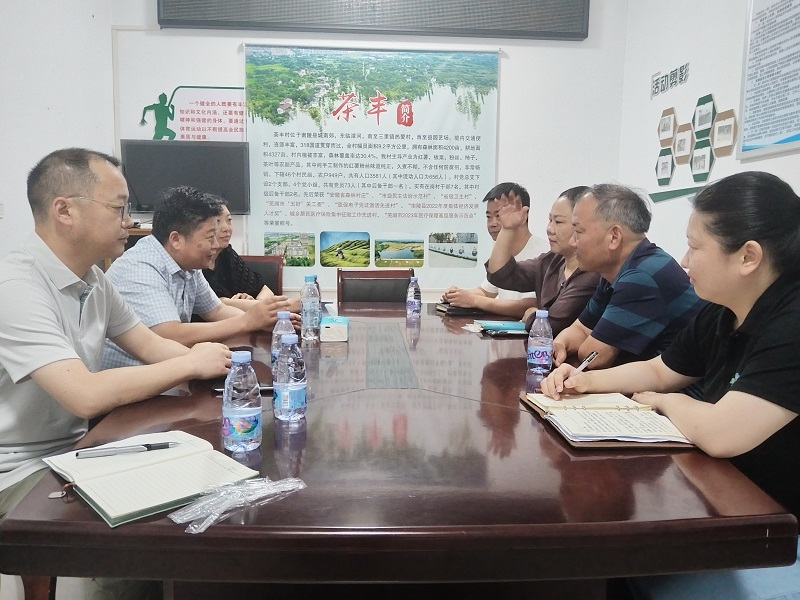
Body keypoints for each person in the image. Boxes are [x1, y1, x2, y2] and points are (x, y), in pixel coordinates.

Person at [540, 171, 800, 600]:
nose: (683, 260)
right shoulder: (721, 311)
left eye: (695, 247)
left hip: (777, 526)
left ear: (748, 256)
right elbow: (661, 371)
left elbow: (720, 433)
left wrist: (666, 403)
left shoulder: (790, 322)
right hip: (731, 500)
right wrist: (584, 381)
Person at [0, 148, 231, 600]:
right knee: (139, 541)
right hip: (15, 467)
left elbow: (152, 346)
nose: (129, 221)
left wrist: (220, 365)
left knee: (198, 488)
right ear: (64, 210)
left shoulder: (94, 279)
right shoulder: (16, 287)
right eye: (119, 207)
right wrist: (190, 362)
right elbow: (84, 394)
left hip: (78, 447)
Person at [102, 186, 291, 369]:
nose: (216, 244)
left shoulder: (189, 265)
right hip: (130, 378)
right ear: (176, 239)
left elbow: (217, 311)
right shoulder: (142, 267)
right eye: (210, 237)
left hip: (168, 369)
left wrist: (263, 322)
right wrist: (246, 322)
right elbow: (169, 334)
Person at [550, 183, 704, 370]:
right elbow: (581, 328)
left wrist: (580, 344)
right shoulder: (613, 271)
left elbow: (592, 356)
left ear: (614, 237)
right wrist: (560, 345)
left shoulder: (641, 277)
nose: (572, 241)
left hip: (684, 384)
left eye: (578, 231)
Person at [485, 186, 601, 335]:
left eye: (558, 222)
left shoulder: (592, 272)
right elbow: (500, 275)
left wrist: (531, 314)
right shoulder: (552, 261)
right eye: (550, 220)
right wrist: (508, 229)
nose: (549, 229)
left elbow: (551, 324)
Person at [441, 182, 549, 319]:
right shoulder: (501, 252)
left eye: (499, 216)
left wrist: (473, 300)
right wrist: (457, 295)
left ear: (523, 215)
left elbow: (528, 305)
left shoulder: (543, 253)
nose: (492, 223)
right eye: (488, 217)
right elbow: (486, 292)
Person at [202, 202, 301, 313]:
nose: (226, 228)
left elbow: (264, 289)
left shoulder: (226, 253)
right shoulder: (195, 264)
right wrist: (284, 306)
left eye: (229, 220)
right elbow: (217, 304)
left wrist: (255, 303)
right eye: (217, 222)